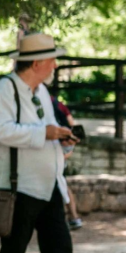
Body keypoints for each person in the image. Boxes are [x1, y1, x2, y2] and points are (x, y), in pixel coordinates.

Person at [0, 33, 103, 253]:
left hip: (47, 184)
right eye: (52, 59)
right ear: (37, 62)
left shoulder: (41, 92)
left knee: (59, 248)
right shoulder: (4, 90)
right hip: (19, 186)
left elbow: (46, 131)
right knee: (13, 252)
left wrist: (63, 139)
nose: (55, 65)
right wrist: (46, 133)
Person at [52, 95, 84, 230]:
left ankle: (72, 217)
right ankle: (74, 217)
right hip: (60, 148)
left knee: (60, 183)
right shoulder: (57, 103)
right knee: (62, 183)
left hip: (55, 149)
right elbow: (72, 126)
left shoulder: (47, 101)